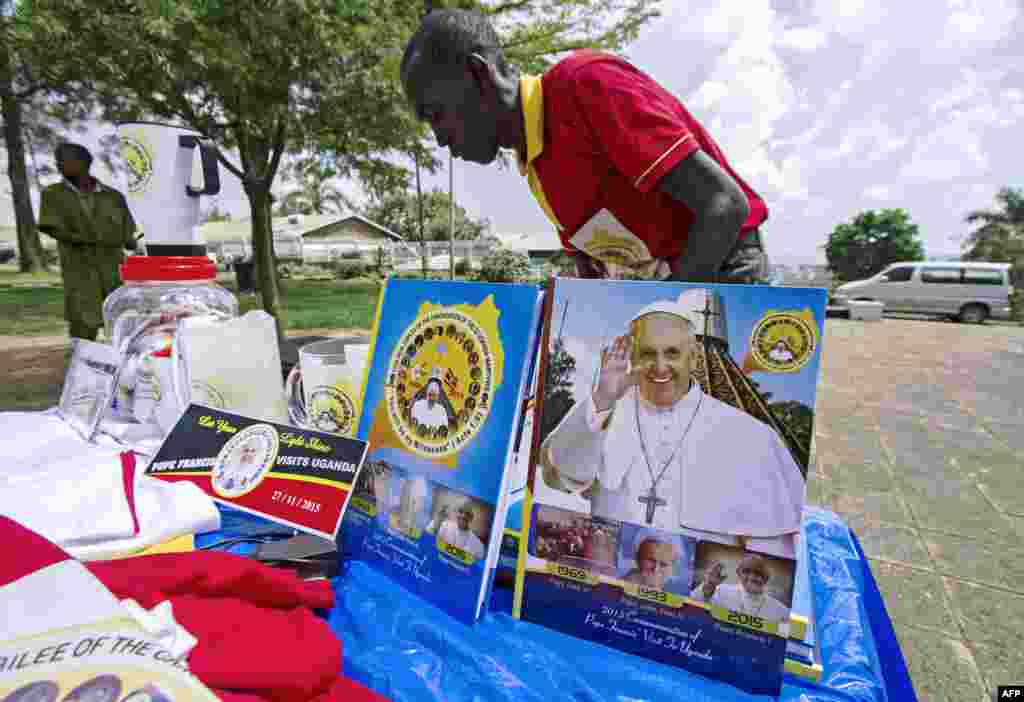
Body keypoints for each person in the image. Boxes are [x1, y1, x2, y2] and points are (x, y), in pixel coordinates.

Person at [400, 10, 769, 283]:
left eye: (436, 113)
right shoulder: (537, 163)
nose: (440, 137)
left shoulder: (584, 84)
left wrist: (667, 312)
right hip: (670, 283)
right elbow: (597, 272)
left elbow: (724, 205)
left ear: (480, 75)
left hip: (722, 268)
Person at [539, 295, 805, 559]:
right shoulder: (603, 412)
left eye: (672, 353)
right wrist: (602, 398)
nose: (660, 365)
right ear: (632, 356)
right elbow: (559, 477)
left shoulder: (753, 437)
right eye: (647, 353)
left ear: (693, 358)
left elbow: (775, 549)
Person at [38, 142, 137, 341]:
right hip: (79, 273)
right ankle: (82, 370)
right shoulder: (53, 195)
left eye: (63, 160)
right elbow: (53, 228)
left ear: (83, 162)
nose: (58, 165)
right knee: (82, 333)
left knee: (121, 328)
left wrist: (131, 243)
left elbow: (129, 235)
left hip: (113, 274)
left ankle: (122, 368)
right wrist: (96, 239)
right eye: (57, 161)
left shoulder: (113, 197)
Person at [690, 553, 789, 621]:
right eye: (746, 571)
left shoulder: (781, 611)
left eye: (758, 573)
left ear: (766, 578)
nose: (752, 577)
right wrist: (709, 586)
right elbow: (691, 605)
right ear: (739, 574)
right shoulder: (720, 591)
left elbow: (786, 637)